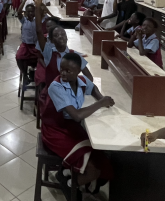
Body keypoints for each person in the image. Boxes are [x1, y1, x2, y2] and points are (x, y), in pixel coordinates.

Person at [40, 53, 115, 200]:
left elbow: (92, 87)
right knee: (93, 168)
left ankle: (68, 174)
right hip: (55, 130)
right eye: (61, 69)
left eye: (69, 71)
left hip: (70, 127)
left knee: (103, 161)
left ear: (78, 71)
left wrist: (101, 98)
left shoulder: (80, 80)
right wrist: (100, 103)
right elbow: (77, 116)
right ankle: (69, 182)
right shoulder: (56, 86)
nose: (63, 73)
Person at [33, 0, 93, 92]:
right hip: (52, 96)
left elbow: (89, 76)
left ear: (67, 37)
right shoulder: (49, 53)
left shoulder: (74, 55)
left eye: (62, 34)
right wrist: (37, 7)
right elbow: (39, 31)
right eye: (56, 35)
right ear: (51, 40)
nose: (60, 36)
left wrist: (79, 92)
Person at [16, 4, 43, 86]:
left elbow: (42, 11)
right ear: (26, 13)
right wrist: (24, 1)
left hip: (35, 45)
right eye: (28, 12)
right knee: (19, 56)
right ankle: (25, 74)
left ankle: (35, 73)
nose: (30, 13)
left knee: (41, 59)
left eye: (32, 11)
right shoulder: (24, 20)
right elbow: (19, 12)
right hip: (26, 44)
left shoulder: (37, 20)